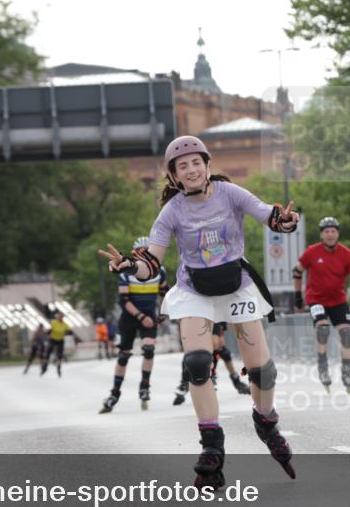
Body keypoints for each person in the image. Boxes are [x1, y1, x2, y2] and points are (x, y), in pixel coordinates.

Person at [99, 135, 298, 488]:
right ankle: (212, 446)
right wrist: (129, 266)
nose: (190, 170)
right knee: (196, 364)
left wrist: (284, 222)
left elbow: (268, 215)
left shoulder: (229, 193)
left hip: (236, 284)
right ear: (174, 176)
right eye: (182, 166)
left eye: (196, 162)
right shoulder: (172, 211)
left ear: (207, 165)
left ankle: (265, 421)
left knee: (263, 371)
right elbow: (152, 265)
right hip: (194, 289)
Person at [293, 216, 350, 393]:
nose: (330, 234)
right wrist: (297, 295)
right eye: (326, 231)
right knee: (323, 329)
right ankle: (323, 367)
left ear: (338, 233)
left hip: (338, 300)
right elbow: (297, 271)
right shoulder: (311, 252)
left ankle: (346, 373)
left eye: (333, 231)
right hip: (316, 298)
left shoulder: (346, 254)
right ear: (321, 235)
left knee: (347, 334)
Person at [99, 237, 168, 414]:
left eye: (148, 252)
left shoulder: (160, 271)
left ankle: (144, 387)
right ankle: (114, 393)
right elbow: (124, 300)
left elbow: (164, 294)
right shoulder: (125, 272)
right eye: (141, 252)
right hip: (130, 316)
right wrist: (139, 316)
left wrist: (162, 314)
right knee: (124, 356)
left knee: (149, 349)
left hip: (149, 316)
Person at [173, 321, 250, 406]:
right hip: (194, 314)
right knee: (192, 352)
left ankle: (231, 379)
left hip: (214, 314)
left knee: (220, 347)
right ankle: (185, 382)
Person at [40, 311, 72, 377]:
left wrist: (69, 332)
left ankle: (58, 369)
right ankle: (44, 368)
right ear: (57, 317)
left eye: (61, 317)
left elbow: (69, 330)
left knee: (59, 355)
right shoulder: (54, 322)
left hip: (60, 340)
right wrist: (48, 332)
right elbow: (48, 329)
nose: (60, 318)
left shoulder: (64, 324)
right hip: (52, 339)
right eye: (59, 316)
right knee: (47, 353)